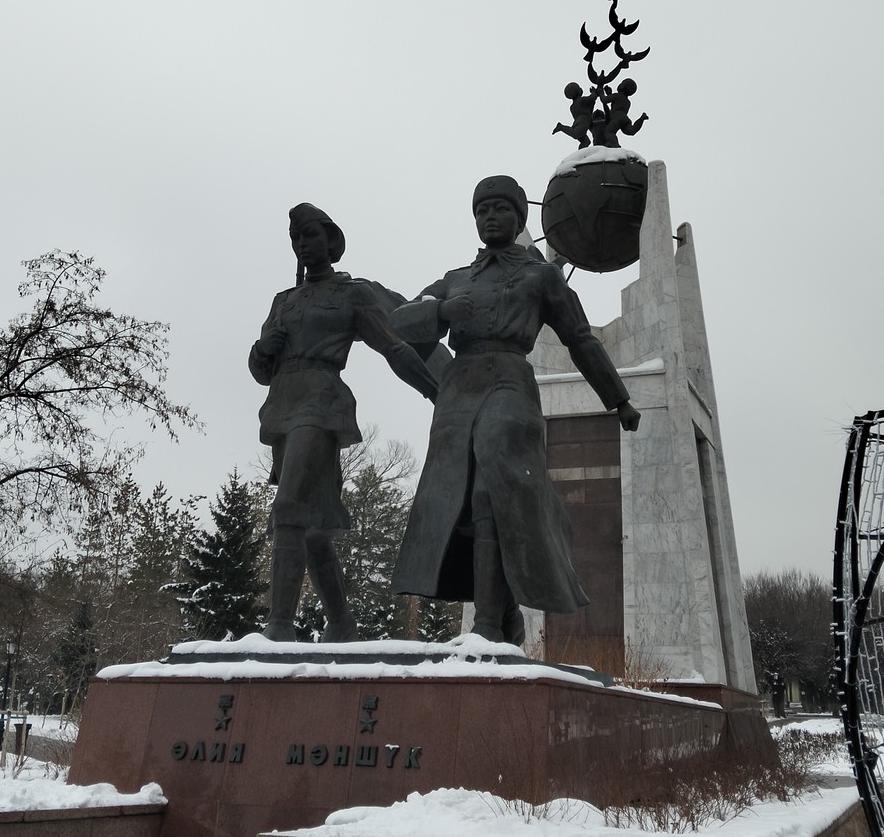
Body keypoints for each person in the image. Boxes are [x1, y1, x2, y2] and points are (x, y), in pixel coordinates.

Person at [390, 175, 640, 644]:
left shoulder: (538, 274)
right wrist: (442, 314)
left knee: (493, 491)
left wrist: (618, 398)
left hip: (510, 381)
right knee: (462, 500)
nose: (490, 217)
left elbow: (579, 337)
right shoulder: (455, 279)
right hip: (457, 393)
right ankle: (504, 613)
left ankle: (486, 624)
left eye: (500, 209)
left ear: (519, 217)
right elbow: (399, 323)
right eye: (482, 210)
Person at [249, 203, 438, 641]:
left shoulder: (350, 294)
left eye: (311, 236)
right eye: (296, 239)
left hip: (321, 402)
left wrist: (434, 390)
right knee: (313, 531)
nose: (302, 244)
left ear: (330, 242)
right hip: (282, 407)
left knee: (289, 509)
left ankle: (278, 627)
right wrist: (264, 347)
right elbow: (261, 372)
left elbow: (392, 346)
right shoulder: (284, 301)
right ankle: (341, 624)